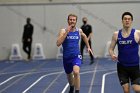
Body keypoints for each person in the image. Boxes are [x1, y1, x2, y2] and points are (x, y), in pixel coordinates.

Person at [56, 14, 93, 93]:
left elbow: (84, 36)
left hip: (76, 56)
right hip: (66, 57)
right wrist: (66, 32)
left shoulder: (79, 31)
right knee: (69, 75)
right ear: (68, 20)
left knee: (76, 72)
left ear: (76, 21)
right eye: (70, 19)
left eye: (74, 20)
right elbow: (58, 43)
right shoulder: (63, 31)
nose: (72, 21)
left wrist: (88, 47)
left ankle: (77, 91)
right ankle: (72, 87)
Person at [109, 12, 140, 93]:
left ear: (131, 21)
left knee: (137, 89)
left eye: (129, 19)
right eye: (125, 19)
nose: (127, 21)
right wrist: (112, 54)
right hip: (122, 67)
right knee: (126, 91)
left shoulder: (137, 33)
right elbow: (111, 49)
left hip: (134, 67)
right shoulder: (116, 34)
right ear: (122, 21)